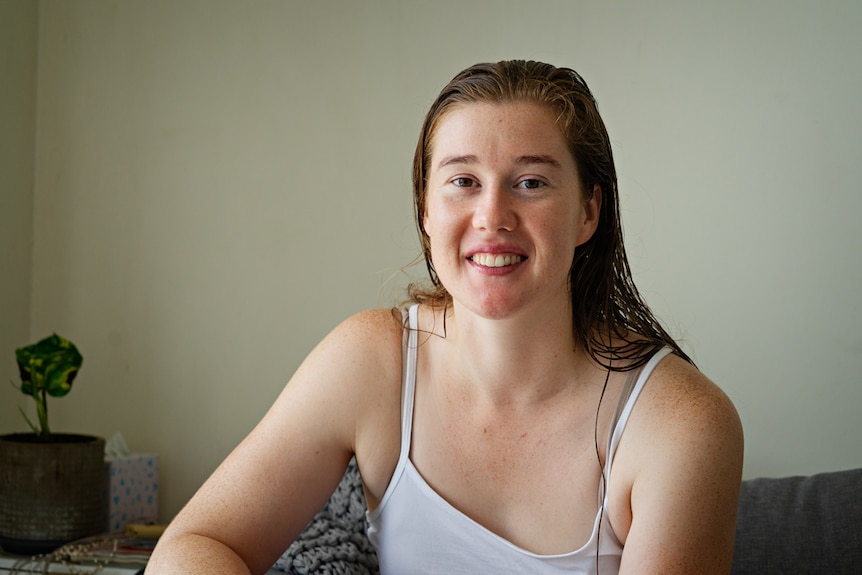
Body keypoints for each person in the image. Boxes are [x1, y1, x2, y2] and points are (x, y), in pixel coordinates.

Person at [147, 60, 744, 574]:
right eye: (462, 181)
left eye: (531, 182)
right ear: (426, 211)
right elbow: (195, 545)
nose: (492, 215)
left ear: (589, 213)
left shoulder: (680, 425)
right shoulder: (371, 361)